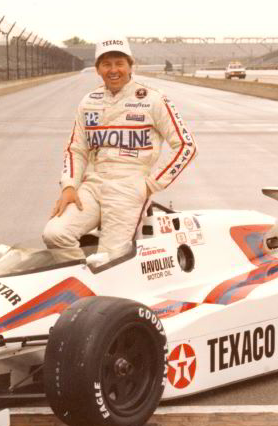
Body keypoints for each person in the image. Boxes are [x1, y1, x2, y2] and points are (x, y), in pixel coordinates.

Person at [43, 37, 196, 261]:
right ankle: (84, 288)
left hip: (130, 184)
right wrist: (69, 186)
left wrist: (151, 184)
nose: (113, 70)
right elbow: (76, 149)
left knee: (109, 258)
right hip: (93, 183)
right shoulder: (89, 101)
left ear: (130, 66)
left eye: (119, 63)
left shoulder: (153, 99)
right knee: (55, 234)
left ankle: (101, 289)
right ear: (97, 69)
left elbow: (186, 146)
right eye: (106, 64)